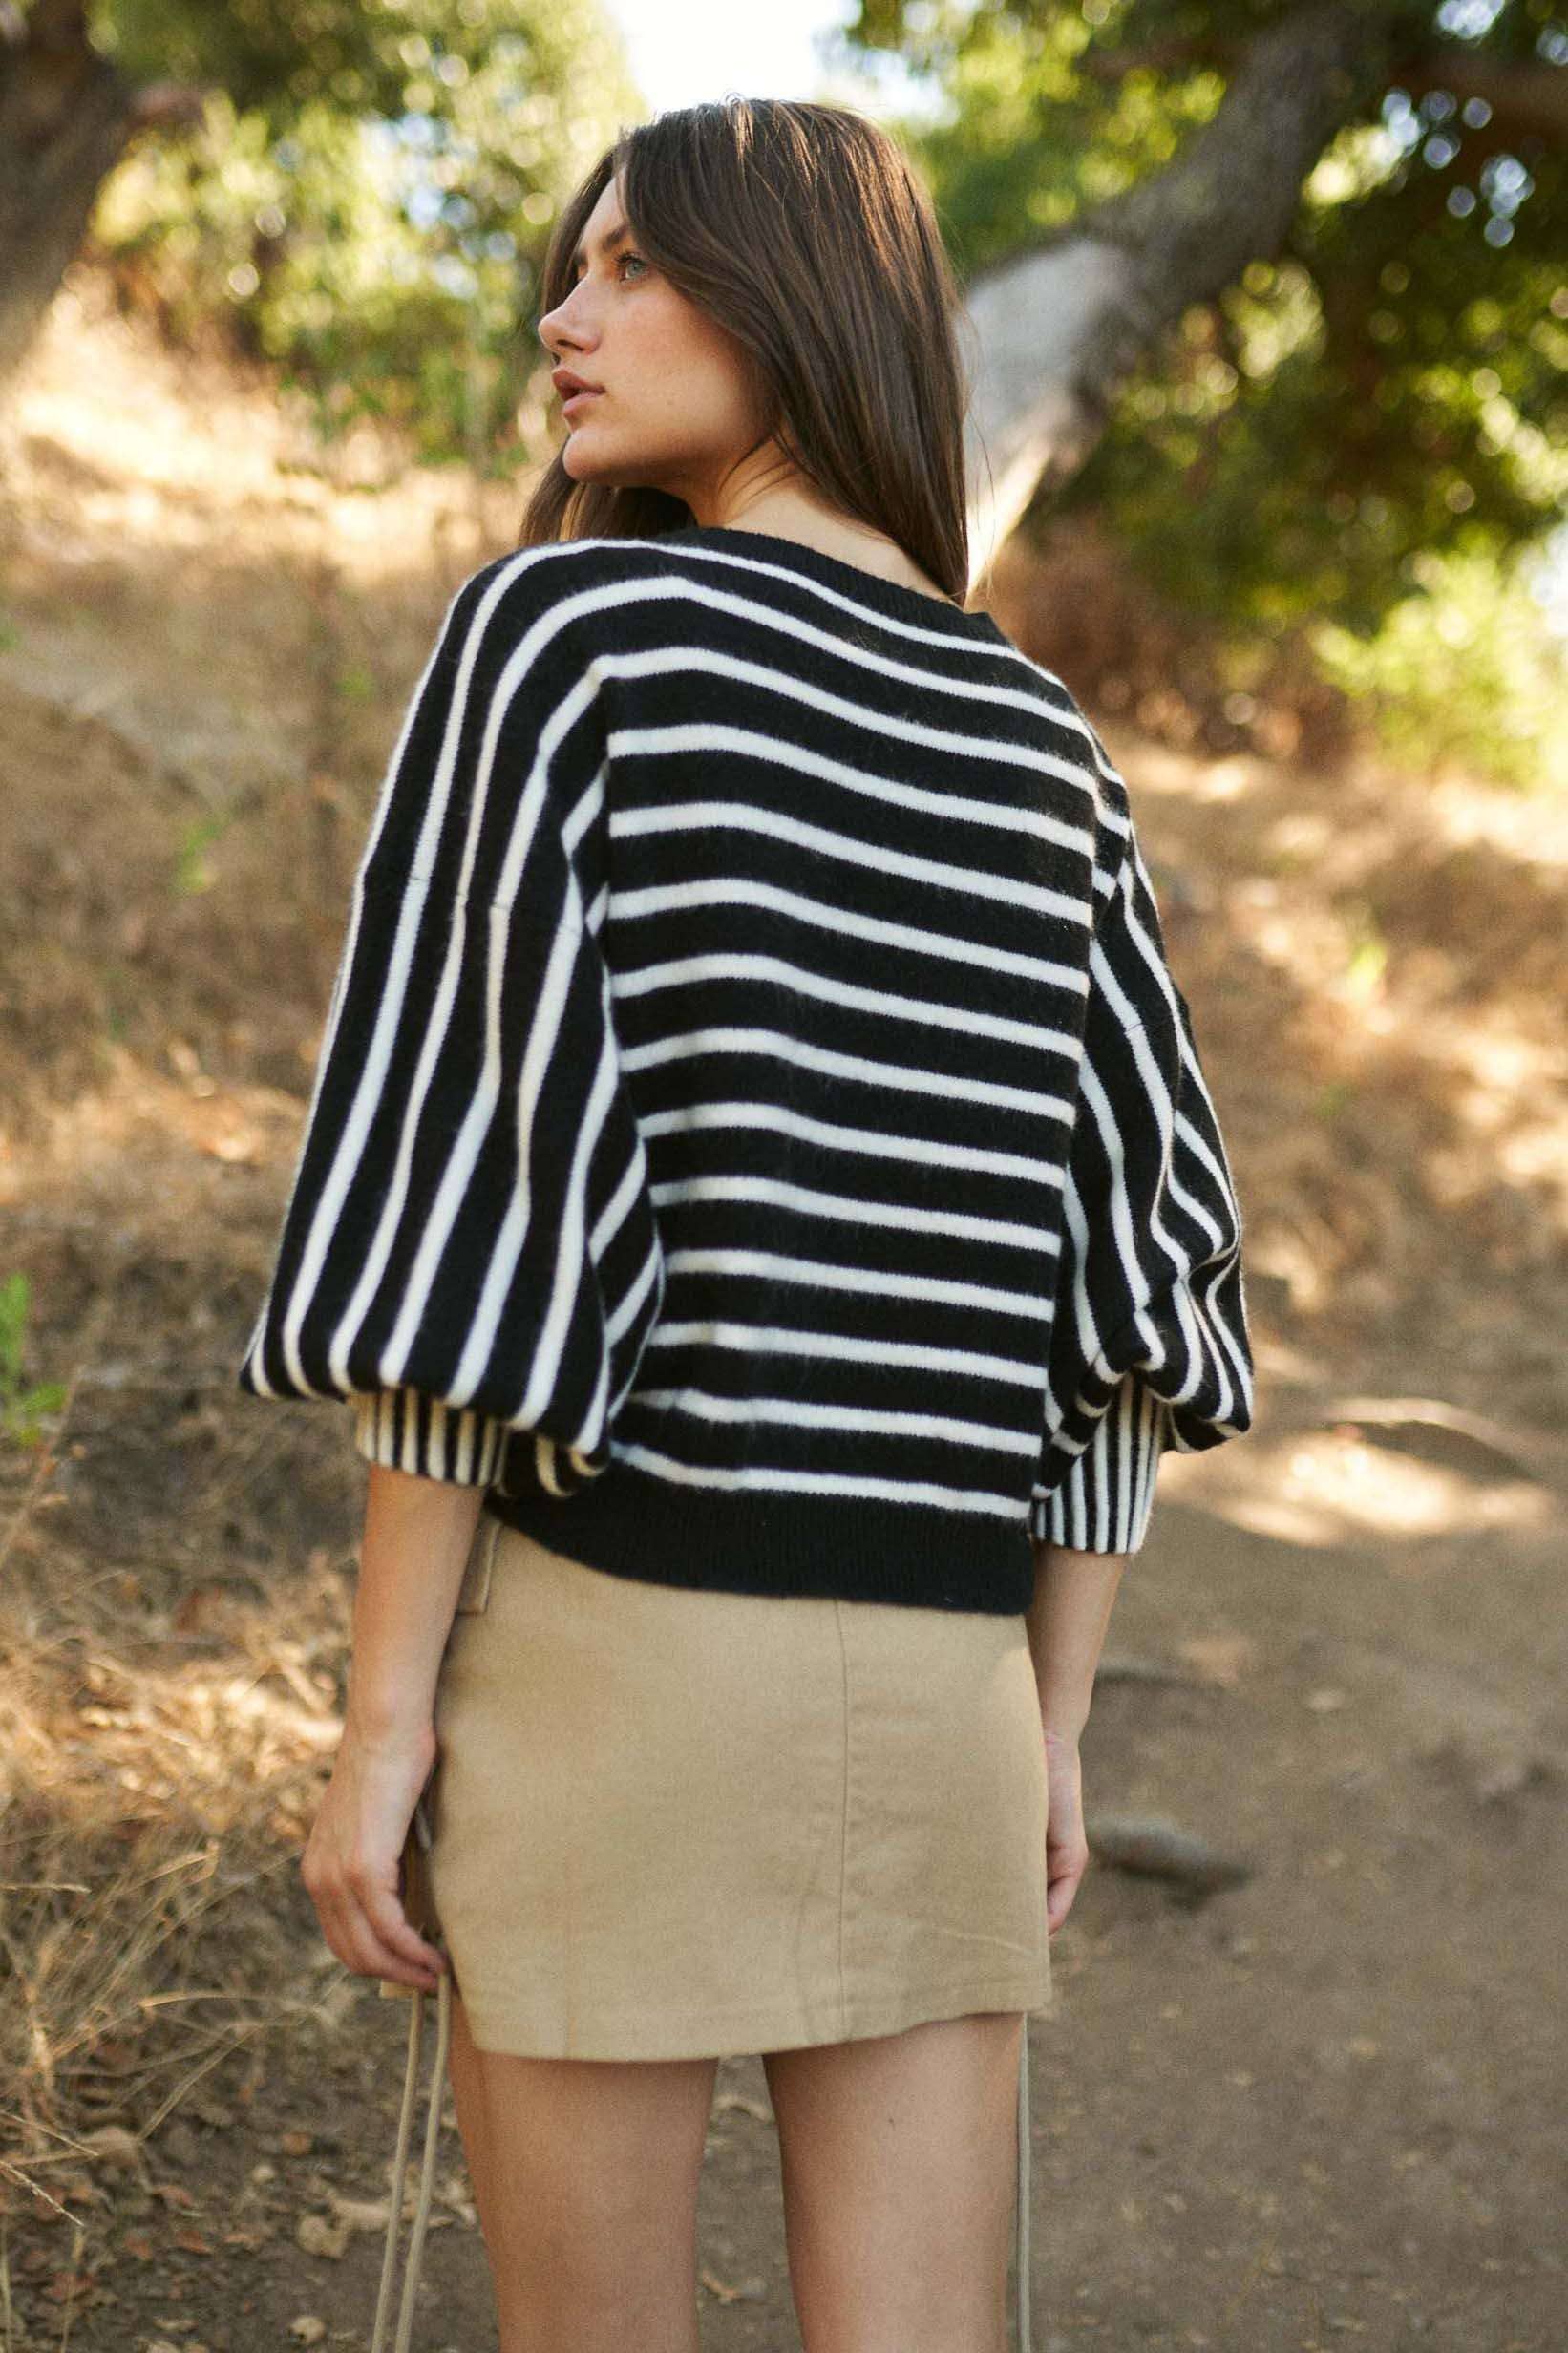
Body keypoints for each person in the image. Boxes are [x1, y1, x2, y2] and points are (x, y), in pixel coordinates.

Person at [236, 95, 1256, 2353]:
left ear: (790, 297)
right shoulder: (1049, 753)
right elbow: (1133, 1292)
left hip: (625, 1664)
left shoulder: (564, 643)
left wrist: (381, 1714)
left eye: (628, 266)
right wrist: (1052, 1725)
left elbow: (467, 1212)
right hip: (948, 1694)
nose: (558, 316)